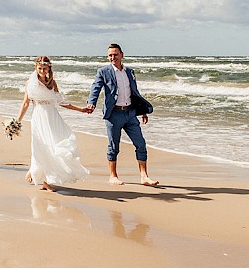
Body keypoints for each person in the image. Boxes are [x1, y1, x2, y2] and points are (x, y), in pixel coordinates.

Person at [86, 43, 158, 186]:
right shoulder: (103, 71)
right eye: (110, 55)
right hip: (114, 114)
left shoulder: (130, 71)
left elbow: (135, 92)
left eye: (115, 54)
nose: (113, 57)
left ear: (121, 55)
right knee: (114, 146)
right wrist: (91, 102)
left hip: (130, 113)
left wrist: (142, 110)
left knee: (141, 144)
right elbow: (96, 88)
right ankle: (113, 176)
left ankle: (144, 176)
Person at [15, 56, 90, 192]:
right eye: (40, 68)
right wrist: (17, 121)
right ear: (35, 68)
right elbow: (26, 103)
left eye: (45, 68)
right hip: (40, 118)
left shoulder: (52, 83)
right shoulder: (30, 83)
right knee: (42, 147)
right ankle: (43, 180)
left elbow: (61, 103)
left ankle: (40, 174)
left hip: (53, 118)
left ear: (49, 68)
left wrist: (81, 109)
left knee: (56, 145)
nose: (42, 71)